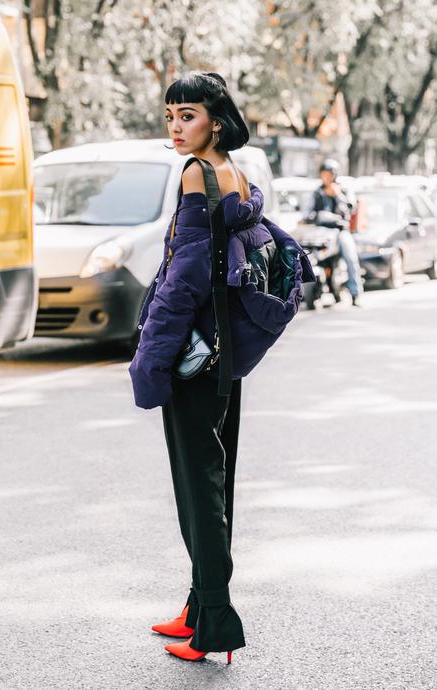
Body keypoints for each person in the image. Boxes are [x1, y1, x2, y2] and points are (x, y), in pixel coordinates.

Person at [128, 71, 313, 665]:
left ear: (216, 116)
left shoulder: (194, 174)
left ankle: (215, 626)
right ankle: (197, 608)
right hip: (224, 357)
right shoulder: (237, 171)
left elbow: (182, 283)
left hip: (193, 360)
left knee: (198, 490)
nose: (177, 127)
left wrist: (149, 363)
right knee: (215, 481)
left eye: (188, 115)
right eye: (170, 116)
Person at [306, 158, 364, 306]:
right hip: (322, 232)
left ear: (334, 175)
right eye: (323, 174)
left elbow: (351, 208)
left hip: (340, 231)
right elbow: (311, 211)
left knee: (351, 257)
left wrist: (337, 195)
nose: (326, 177)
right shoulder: (318, 192)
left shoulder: (343, 190)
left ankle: (355, 293)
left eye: (329, 174)